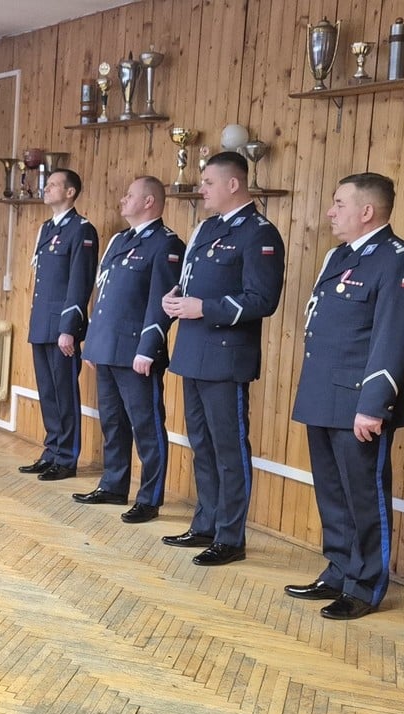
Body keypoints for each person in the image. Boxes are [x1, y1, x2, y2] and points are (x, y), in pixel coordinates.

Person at [285, 173, 404, 619]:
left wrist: (373, 405)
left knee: (364, 497)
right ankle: (339, 570)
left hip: (359, 403)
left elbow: (394, 337)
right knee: (332, 493)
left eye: (339, 203)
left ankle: (365, 586)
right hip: (324, 395)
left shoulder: (398, 261)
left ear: (367, 211)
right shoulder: (341, 256)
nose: (330, 212)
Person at [160, 151, 285, 566]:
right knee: (202, 445)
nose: (202, 189)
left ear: (234, 184)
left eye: (209, 182)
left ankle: (230, 537)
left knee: (229, 449)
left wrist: (204, 308)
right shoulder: (208, 227)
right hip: (193, 352)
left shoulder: (259, 233)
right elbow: (192, 283)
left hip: (226, 357)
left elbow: (262, 299)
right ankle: (206, 524)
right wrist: (176, 298)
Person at [73, 176, 183, 523]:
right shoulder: (120, 240)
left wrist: (148, 349)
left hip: (137, 352)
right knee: (112, 422)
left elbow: (161, 303)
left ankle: (149, 498)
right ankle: (113, 484)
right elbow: (104, 294)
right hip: (107, 347)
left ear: (149, 202)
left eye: (129, 195)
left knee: (147, 427)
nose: (122, 200)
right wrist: (93, 343)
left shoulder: (166, 244)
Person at [17, 168, 98, 481]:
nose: (46, 189)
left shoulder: (82, 230)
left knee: (64, 393)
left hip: (62, 326)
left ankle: (66, 458)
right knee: (48, 392)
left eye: (53, 185)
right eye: (47, 184)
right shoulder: (47, 228)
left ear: (70, 192)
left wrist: (69, 328)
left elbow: (80, 282)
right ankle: (51, 451)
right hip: (42, 323)